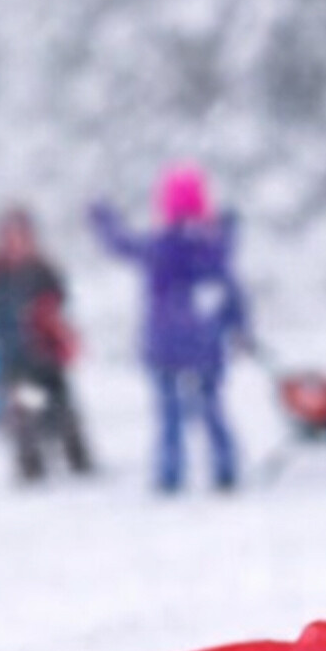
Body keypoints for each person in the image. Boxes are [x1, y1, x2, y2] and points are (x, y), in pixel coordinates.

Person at [89, 163, 251, 493]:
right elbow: (230, 291)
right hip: (206, 343)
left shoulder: (160, 245)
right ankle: (225, 468)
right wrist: (239, 326)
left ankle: (170, 472)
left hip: (164, 345)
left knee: (170, 415)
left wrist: (103, 218)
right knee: (211, 409)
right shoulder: (213, 246)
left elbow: (121, 245)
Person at [0, 205, 93, 483]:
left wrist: (48, 318)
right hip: (15, 362)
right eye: (10, 237)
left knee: (63, 409)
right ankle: (31, 467)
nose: (17, 243)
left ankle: (79, 461)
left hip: (46, 358)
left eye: (22, 236)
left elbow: (59, 300)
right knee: (26, 411)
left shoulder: (43, 270)